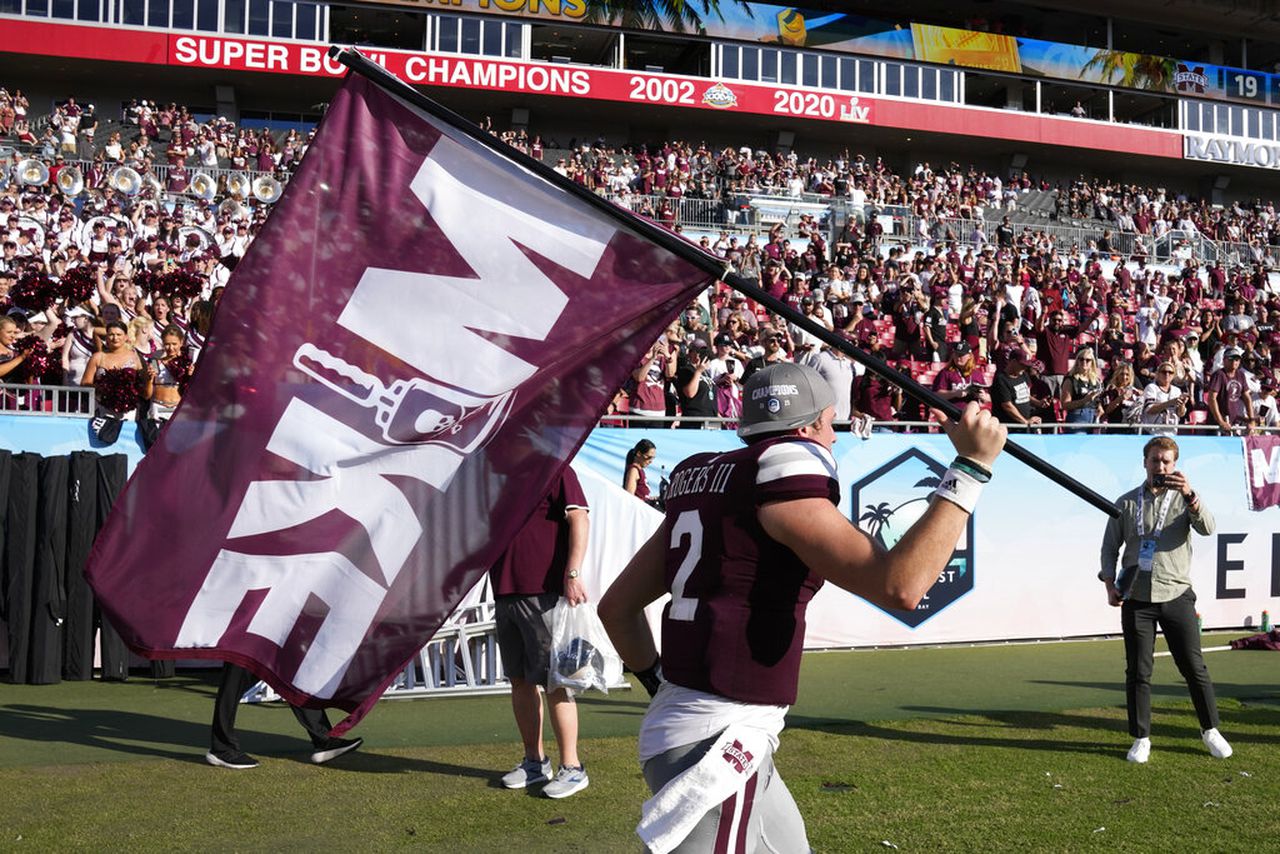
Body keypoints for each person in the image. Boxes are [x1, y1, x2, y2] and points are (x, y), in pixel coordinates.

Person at [599, 363, 1006, 852]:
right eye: (831, 423)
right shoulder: (784, 467)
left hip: (709, 727)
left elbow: (617, 608)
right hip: (717, 736)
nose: (833, 438)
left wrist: (659, 684)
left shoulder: (707, 480)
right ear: (808, 427)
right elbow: (902, 586)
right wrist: (971, 469)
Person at [1098, 436, 1231, 764]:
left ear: (1175, 465)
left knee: (1193, 667)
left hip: (1176, 595)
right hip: (1136, 599)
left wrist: (1190, 495)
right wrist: (1108, 583)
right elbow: (1109, 547)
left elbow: (1209, 528)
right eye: (1155, 460)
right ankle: (1141, 737)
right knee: (1139, 672)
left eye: (1167, 461)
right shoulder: (1126, 502)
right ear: (1145, 462)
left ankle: (1210, 730)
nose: (1160, 466)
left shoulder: (1184, 499)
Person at [491, 467, 591, 799]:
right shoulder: (496, 477)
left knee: (556, 681)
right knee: (519, 680)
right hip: (505, 592)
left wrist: (573, 573)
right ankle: (535, 762)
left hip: (544, 593)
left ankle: (573, 768)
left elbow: (580, 519)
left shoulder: (556, 467)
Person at [206, 662, 363, 769]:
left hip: (270, 626)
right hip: (247, 627)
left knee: (291, 676)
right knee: (233, 683)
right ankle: (221, 748)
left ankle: (323, 740)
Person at [1060, 346, 1102, 427]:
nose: (1084, 362)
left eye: (1088, 360)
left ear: (1092, 363)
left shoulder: (1096, 381)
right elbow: (1065, 405)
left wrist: (1100, 407)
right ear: (1077, 361)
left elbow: (1097, 400)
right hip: (1077, 418)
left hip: (1093, 418)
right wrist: (1084, 401)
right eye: (1081, 359)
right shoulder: (1070, 380)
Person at [623, 438, 657, 504]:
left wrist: (649, 499)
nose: (651, 461)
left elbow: (641, 496)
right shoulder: (634, 470)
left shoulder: (640, 470)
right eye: (649, 457)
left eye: (653, 458)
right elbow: (629, 498)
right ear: (639, 453)